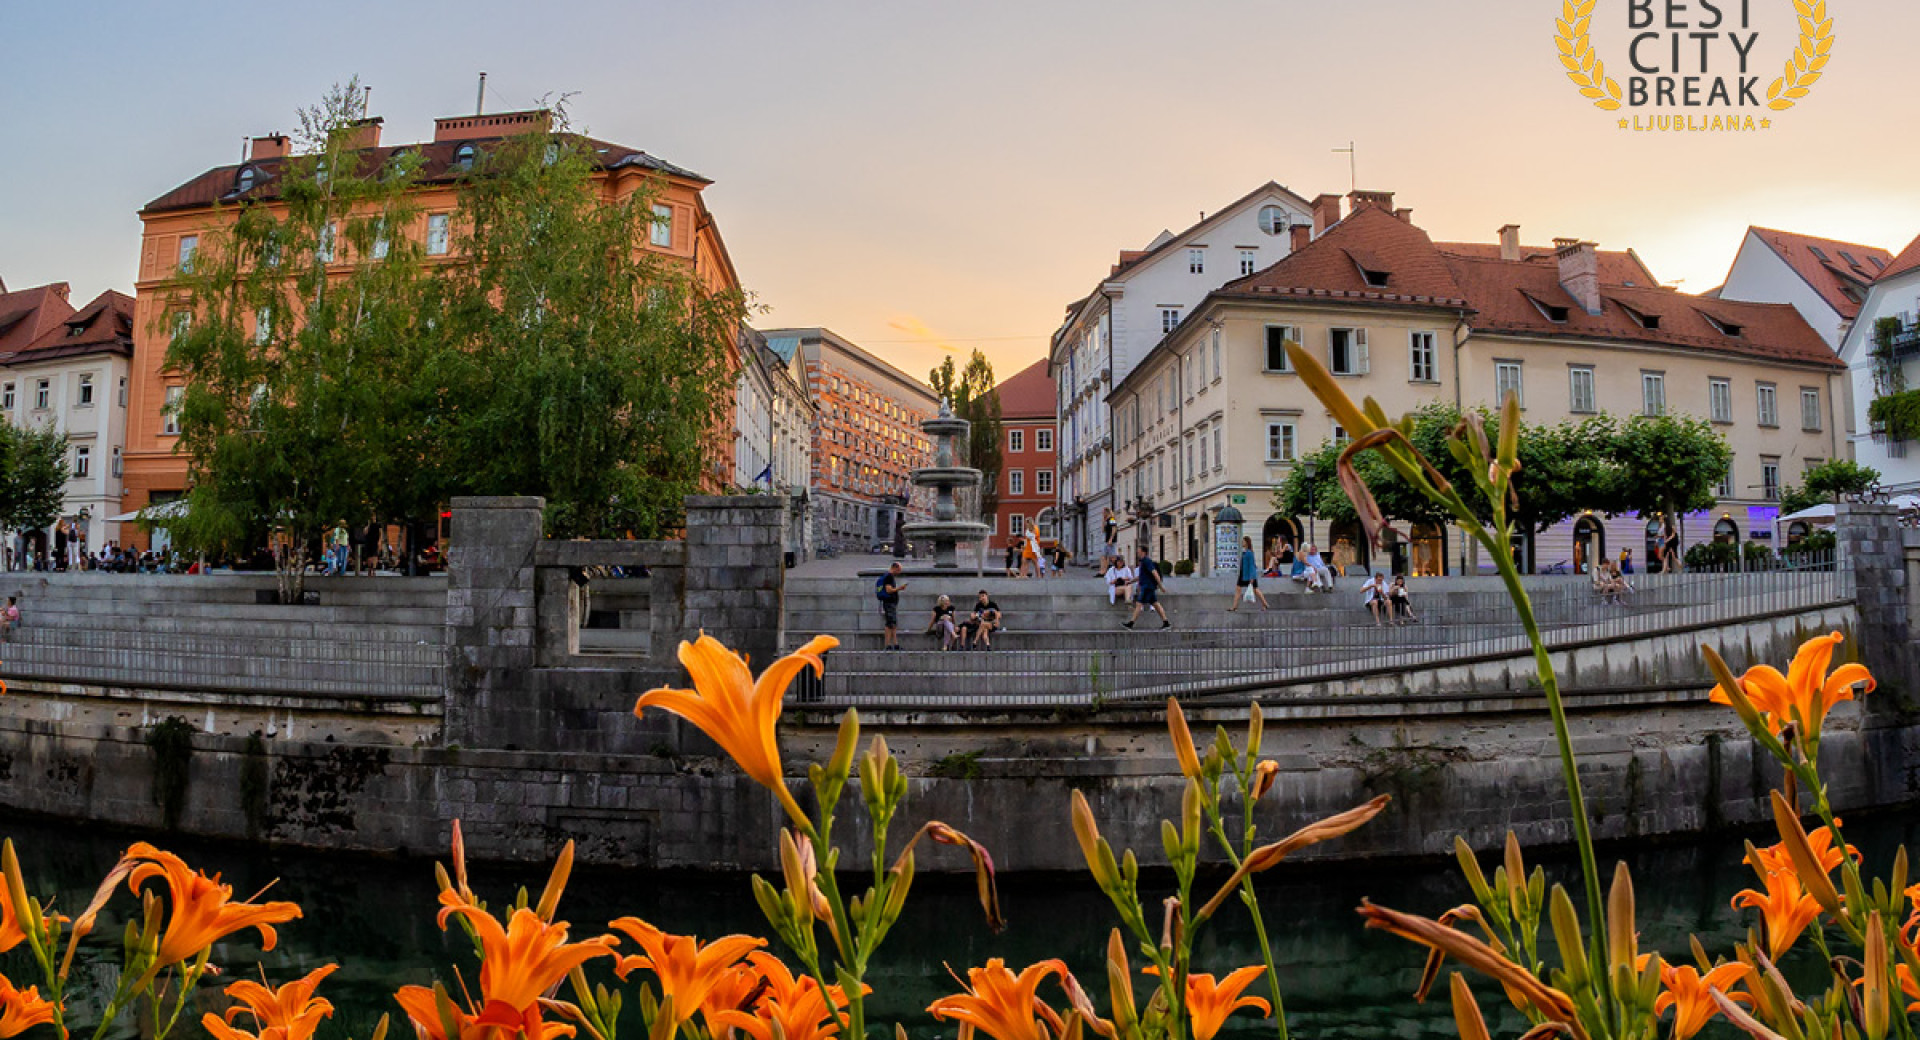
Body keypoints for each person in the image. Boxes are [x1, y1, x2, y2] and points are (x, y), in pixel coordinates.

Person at [1124, 547, 1171, 629]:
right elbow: (1141, 576)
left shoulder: (1146, 561)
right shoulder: (1143, 562)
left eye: (1138, 552)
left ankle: (1131, 624)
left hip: (1147, 587)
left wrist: (1160, 586)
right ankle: (1166, 622)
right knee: (1156, 604)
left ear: (1143, 552)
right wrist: (1130, 581)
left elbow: (1155, 573)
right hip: (1147, 586)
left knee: (1139, 604)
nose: (1137, 554)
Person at [1229, 536, 1270, 612]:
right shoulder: (1245, 552)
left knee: (1255, 590)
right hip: (1243, 574)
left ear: (1247, 543)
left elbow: (1251, 566)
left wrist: (1252, 578)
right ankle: (1234, 606)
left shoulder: (1249, 553)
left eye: (1243, 541)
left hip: (1248, 575)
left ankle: (1265, 604)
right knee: (1238, 589)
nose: (1242, 543)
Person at [875, 563, 908, 650]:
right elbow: (889, 590)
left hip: (890, 603)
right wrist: (900, 588)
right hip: (889, 603)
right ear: (894, 568)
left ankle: (895, 644)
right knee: (890, 623)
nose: (899, 572)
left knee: (893, 623)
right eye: (899, 570)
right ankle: (887, 645)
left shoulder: (888, 576)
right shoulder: (889, 577)